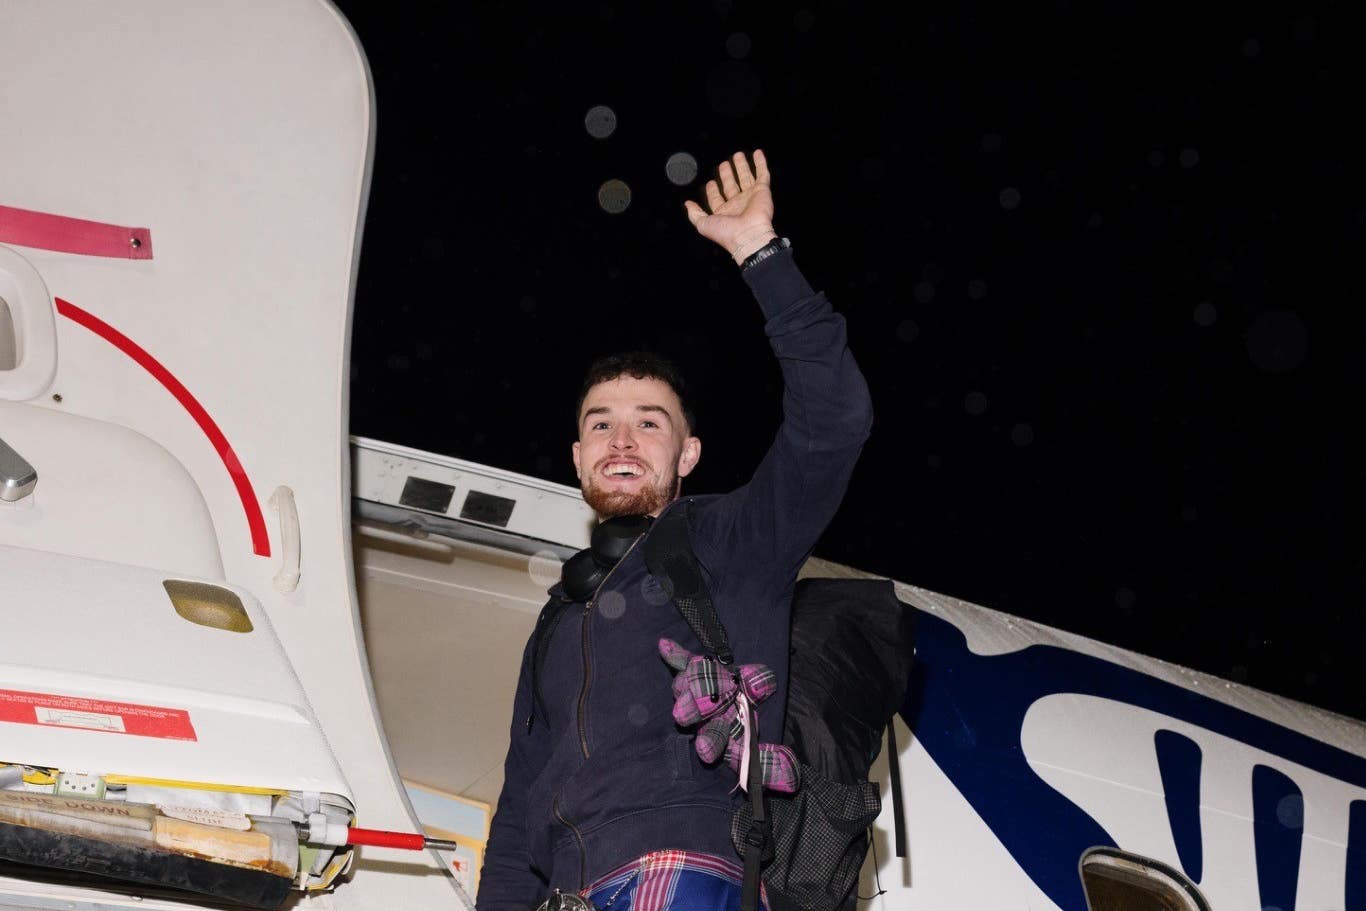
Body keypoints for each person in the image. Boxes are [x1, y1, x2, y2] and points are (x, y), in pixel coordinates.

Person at [476, 150, 872, 911]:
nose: (621, 440)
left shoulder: (732, 542)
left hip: (686, 868)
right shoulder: (558, 620)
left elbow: (835, 421)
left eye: (648, 424)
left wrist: (763, 255)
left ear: (687, 452)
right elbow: (521, 803)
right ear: (577, 456)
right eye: (602, 424)